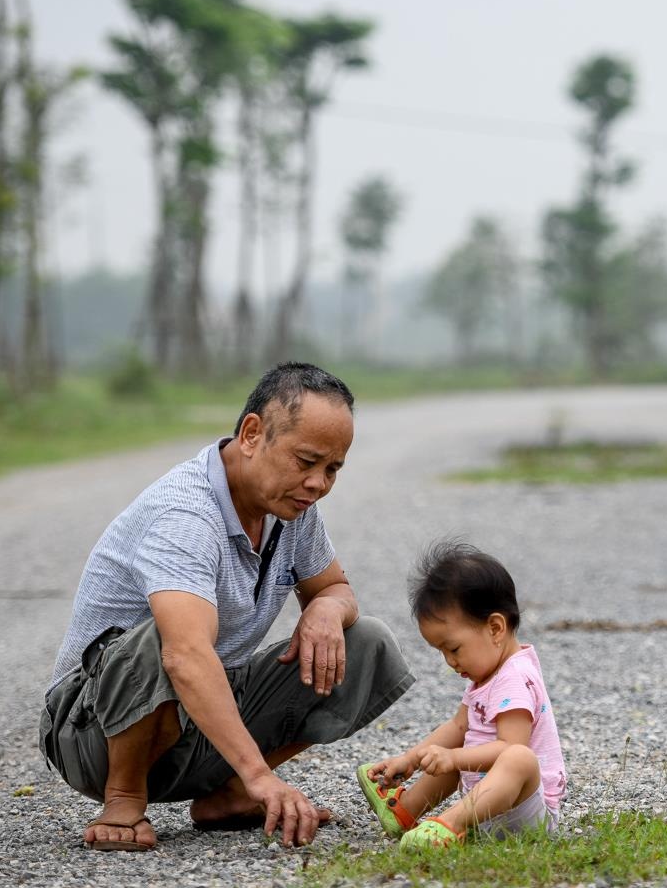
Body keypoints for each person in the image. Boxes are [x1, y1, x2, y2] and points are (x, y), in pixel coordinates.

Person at [39, 362, 414, 852]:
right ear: (253, 434)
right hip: (93, 732)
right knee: (168, 636)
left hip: (195, 726)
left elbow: (337, 588)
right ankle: (124, 799)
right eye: (306, 462)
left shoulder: (291, 508)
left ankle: (229, 794)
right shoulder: (185, 514)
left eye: (333, 469)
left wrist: (324, 608)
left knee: (367, 642)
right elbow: (184, 655)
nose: (318, 483)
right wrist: (265, 778)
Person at [357, 541, 566, 847]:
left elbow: (510, 746)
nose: (450, 661)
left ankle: (450, 824)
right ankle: (404, 811)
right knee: (454, 749)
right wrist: (412, 759)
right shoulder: (485, 675)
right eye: (441, 652)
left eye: (453, 648)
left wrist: (454, 758)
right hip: (490, 809)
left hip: (527, 817)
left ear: (495, 628)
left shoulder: (514, 677)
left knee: (517, 757)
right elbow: (457, 727)